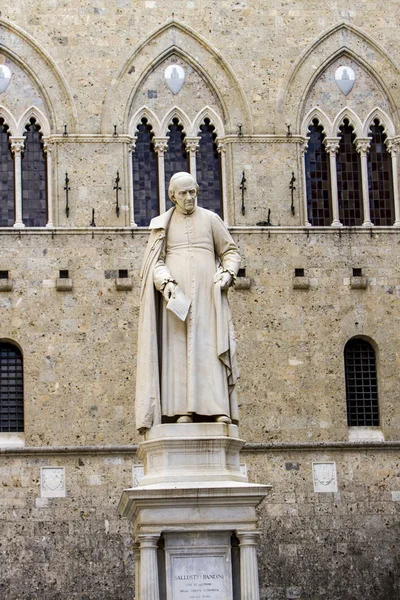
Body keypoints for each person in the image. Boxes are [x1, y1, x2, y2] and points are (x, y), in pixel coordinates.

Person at [136, 172, 240, 434]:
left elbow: (230, 251)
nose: (189, 197)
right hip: (176, 301)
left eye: (192, 192)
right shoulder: (163, 224)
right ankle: (180, 411)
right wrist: (166, 283)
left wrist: (228, 273)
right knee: (177, 352)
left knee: (209, 347)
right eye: (183, 193)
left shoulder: (211, 220)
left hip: (208, 296)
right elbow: (155, 263)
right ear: (173, 196)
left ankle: (218, 409)